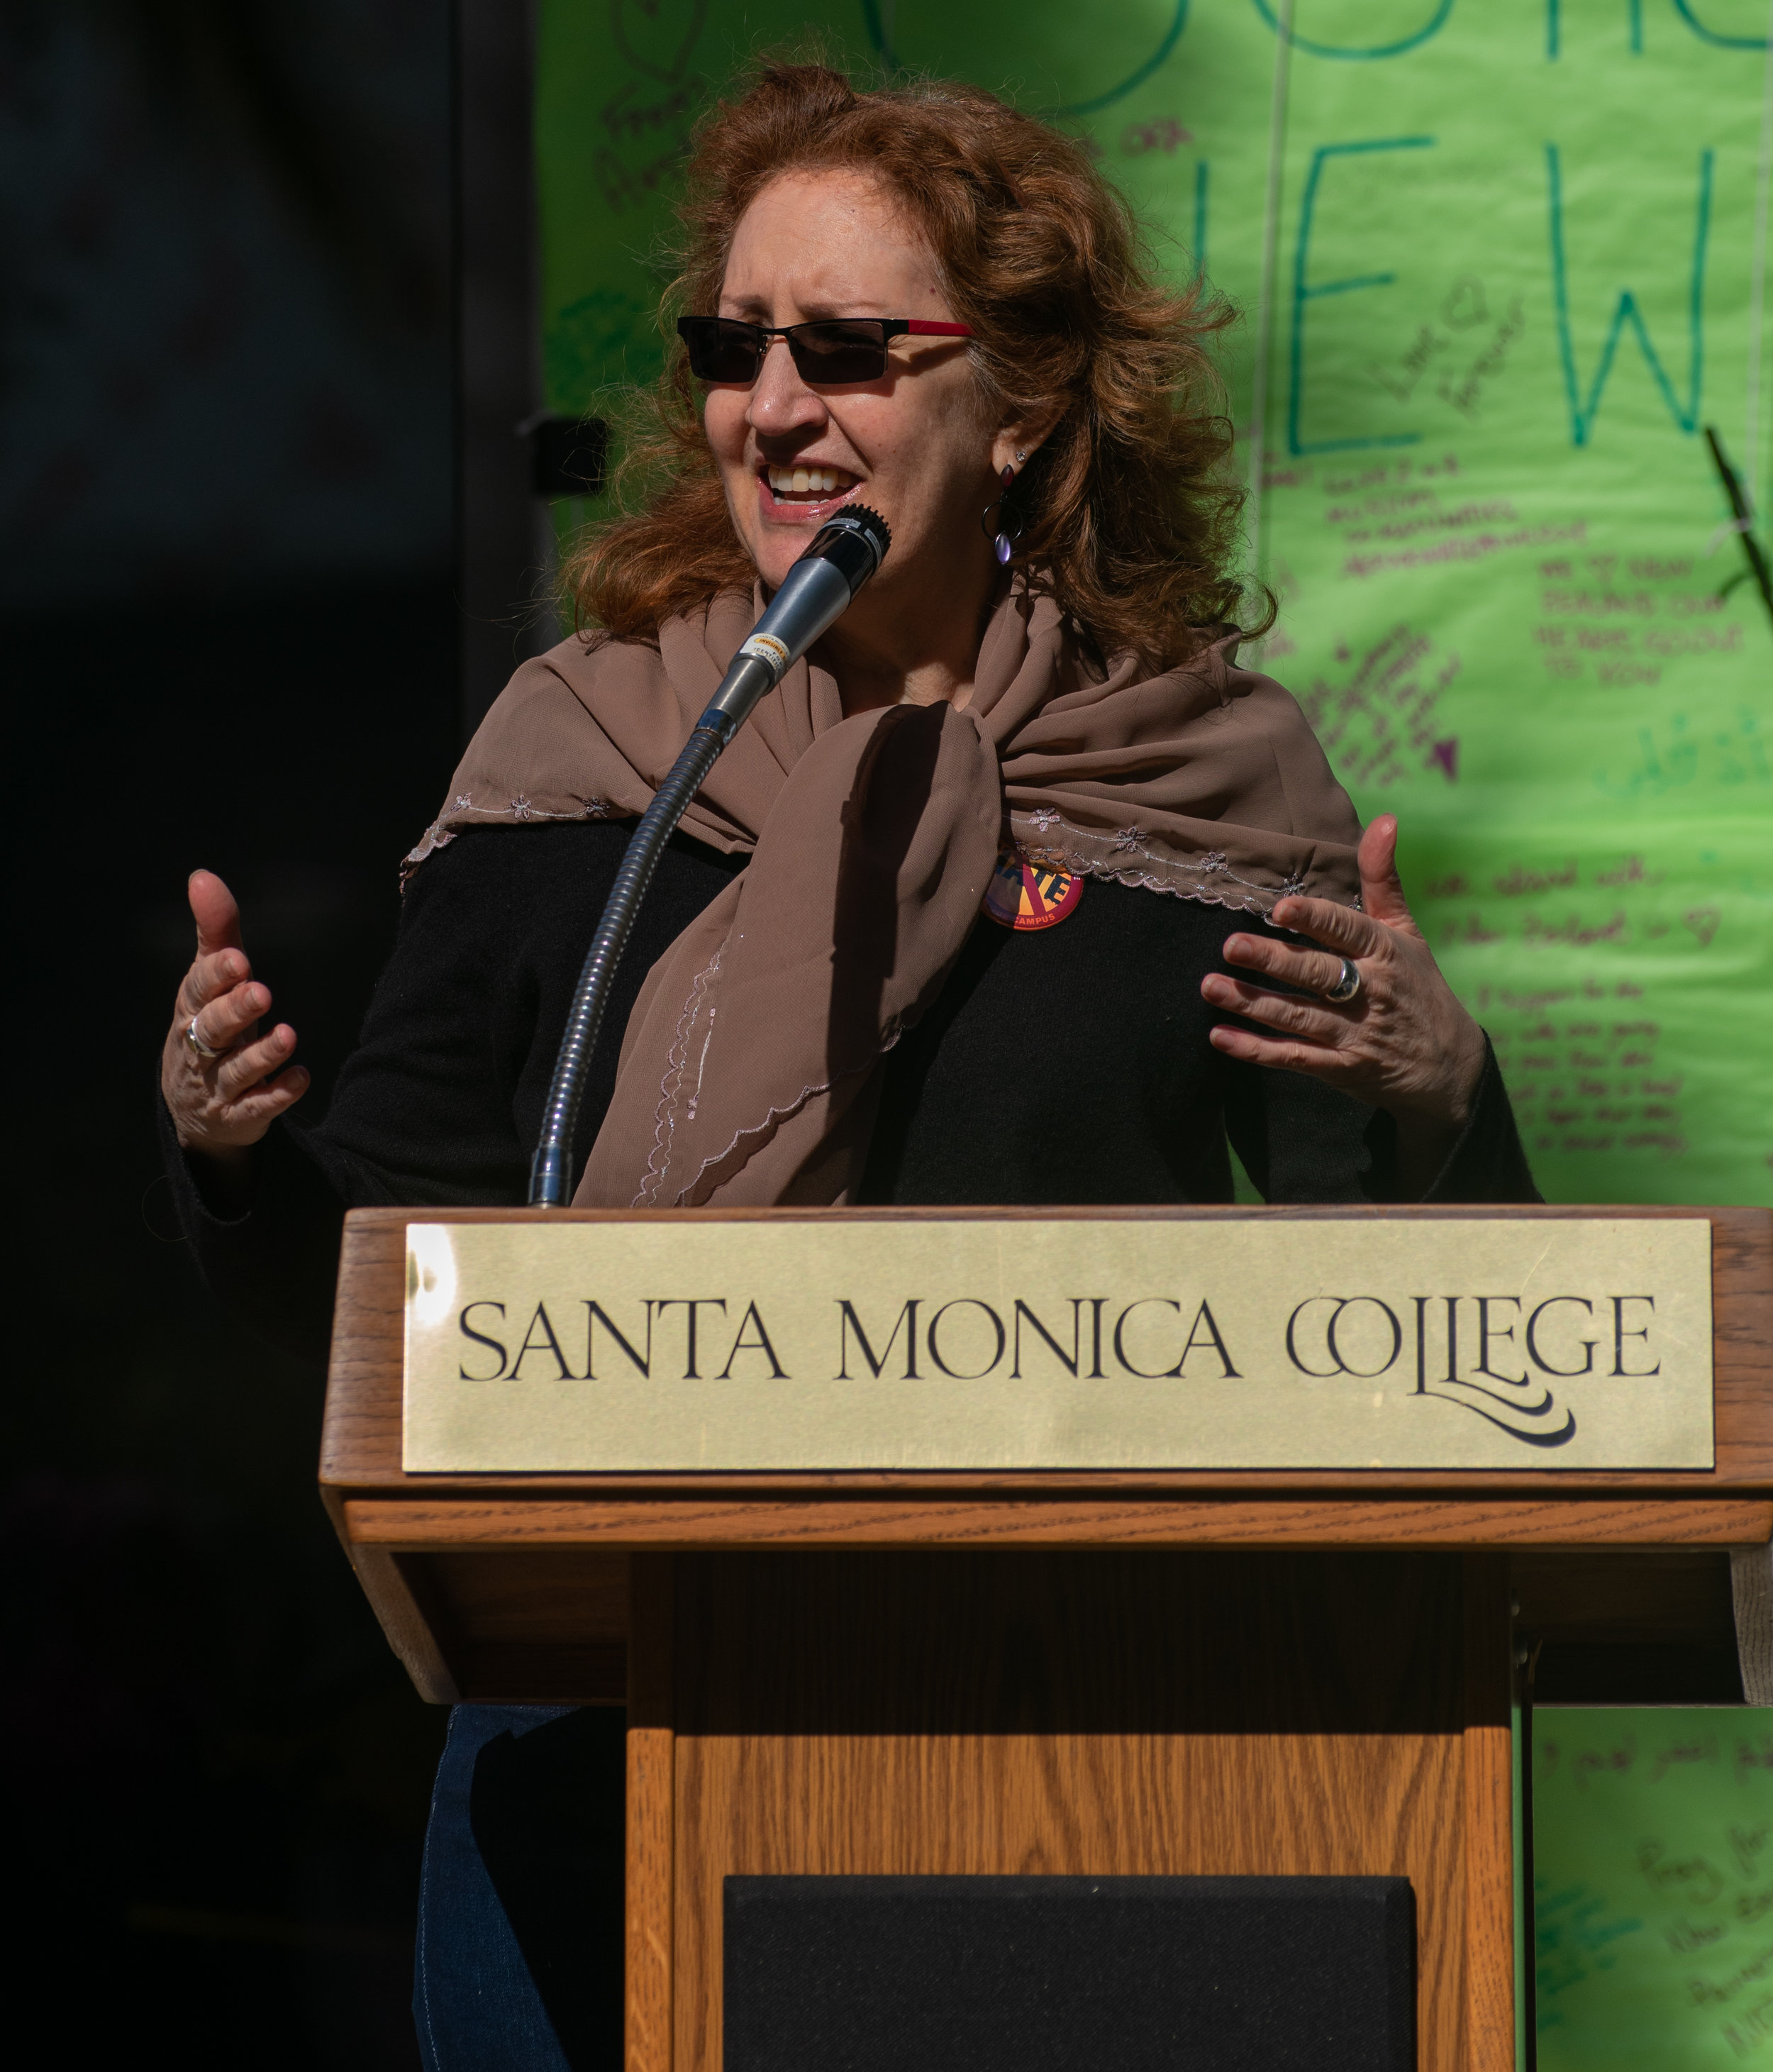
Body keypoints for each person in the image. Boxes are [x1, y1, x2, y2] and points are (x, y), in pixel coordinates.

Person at [157, 62, 1536, 2068]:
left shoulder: (1205, 793)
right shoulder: (592, 763)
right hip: (602, 1742)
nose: (772, 406)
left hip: (1092, 1753)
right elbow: (370, 1278)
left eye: (849, 349)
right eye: (734, 347)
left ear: (1032, 398)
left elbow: (1407, 1341)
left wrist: (1433, 1095)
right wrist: (236, 1149)